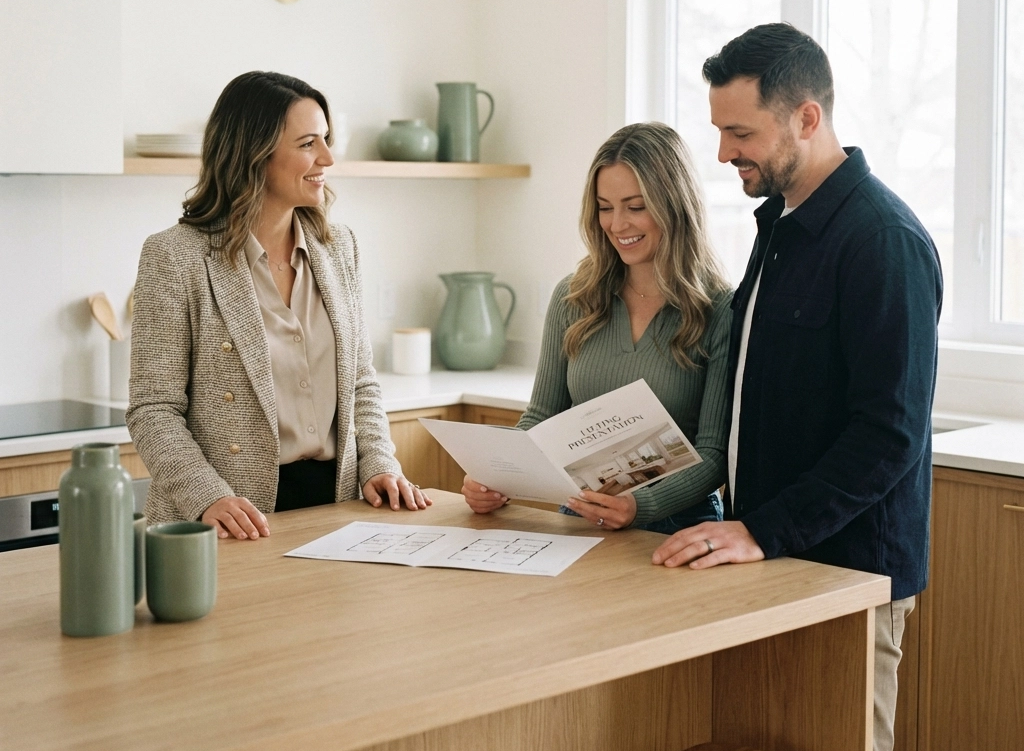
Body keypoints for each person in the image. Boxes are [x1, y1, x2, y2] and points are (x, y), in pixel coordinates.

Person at [650, 24, 941, 751]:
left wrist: (762, 529)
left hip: (846, 571)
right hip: (779, 557)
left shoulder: (881, 239)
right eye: (719, 131)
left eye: (740, 132)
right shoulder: (780, 226)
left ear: (807, 119)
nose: (723, 154)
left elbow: (889, 434)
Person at [127, 71, 429, 539]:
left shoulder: (339, 246)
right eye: (308, 143)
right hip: (230, 520)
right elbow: (153, 409)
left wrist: (379, 464)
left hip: (339, 506)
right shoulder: (174, 256)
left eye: (326, 140)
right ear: (255, 153)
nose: (327, 158)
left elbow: (361, 383)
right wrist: (207, 496)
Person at [463, 122, 732, 534]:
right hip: (581, 519)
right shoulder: (574, 297)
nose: (617, 224)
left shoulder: (719, 308)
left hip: (682, 526)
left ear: (675, 205)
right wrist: (497, 476)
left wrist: (639, 505)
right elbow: (541, 416)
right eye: (605, 207)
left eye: (636, 206)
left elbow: (715, 452)